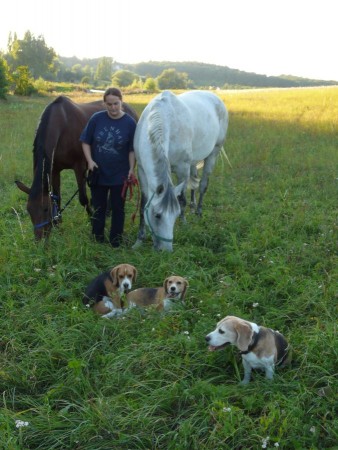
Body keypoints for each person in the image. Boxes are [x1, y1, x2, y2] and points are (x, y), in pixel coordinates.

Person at [80, 87, 137, 247]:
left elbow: (132, 149)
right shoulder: (96, 119)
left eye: (116, 104)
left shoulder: (129, 123)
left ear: (121, 102)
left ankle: (116, 240)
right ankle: (97, 237)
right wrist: (90, 161)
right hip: (98, 172)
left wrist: (131, 169)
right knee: (98, 207)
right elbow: (85, 141)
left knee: (118, 208)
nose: (113, 108)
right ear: (104, 103)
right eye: (109, 104)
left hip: (120, 173)